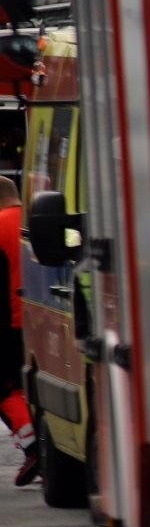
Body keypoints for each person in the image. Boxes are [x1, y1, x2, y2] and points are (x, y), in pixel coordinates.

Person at [0, 177, 36, 484]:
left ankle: (32, 447)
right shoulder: (34, 221)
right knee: (30, 387)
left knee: (6, 389)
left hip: (8, 321)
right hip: (42, 316)